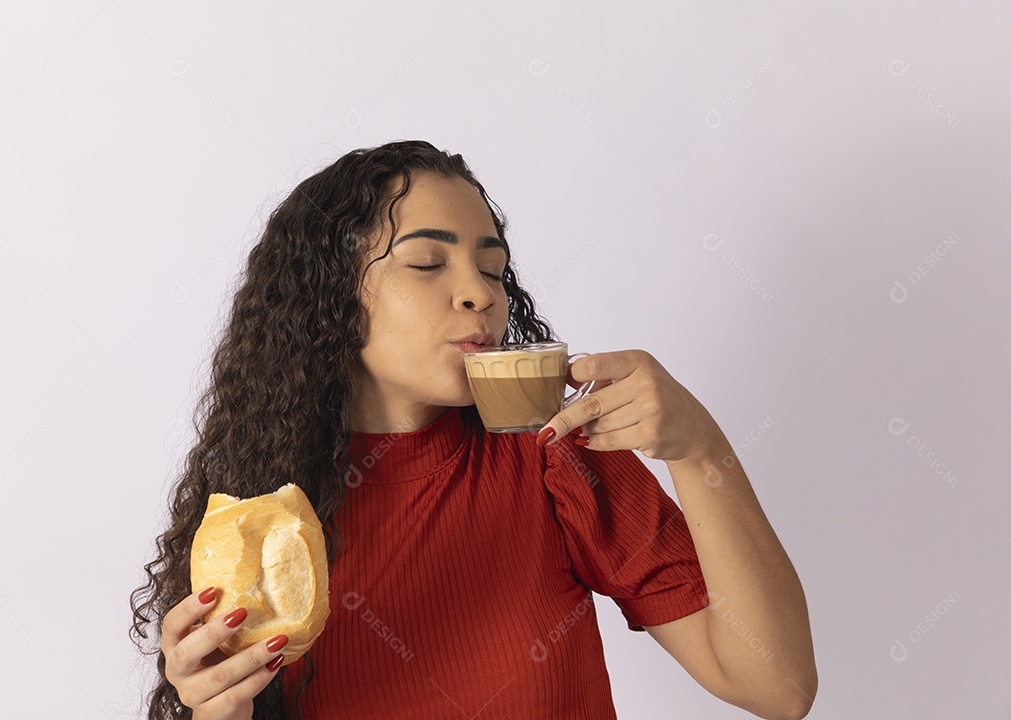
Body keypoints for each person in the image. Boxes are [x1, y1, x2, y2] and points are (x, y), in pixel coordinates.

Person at [130, 140, 817, 719]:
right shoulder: (259, 524)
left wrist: (701, 451)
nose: (482, 293)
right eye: (429, 263)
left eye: (493, 268)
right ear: (330, 294)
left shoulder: (552, 453)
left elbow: (777, 687)